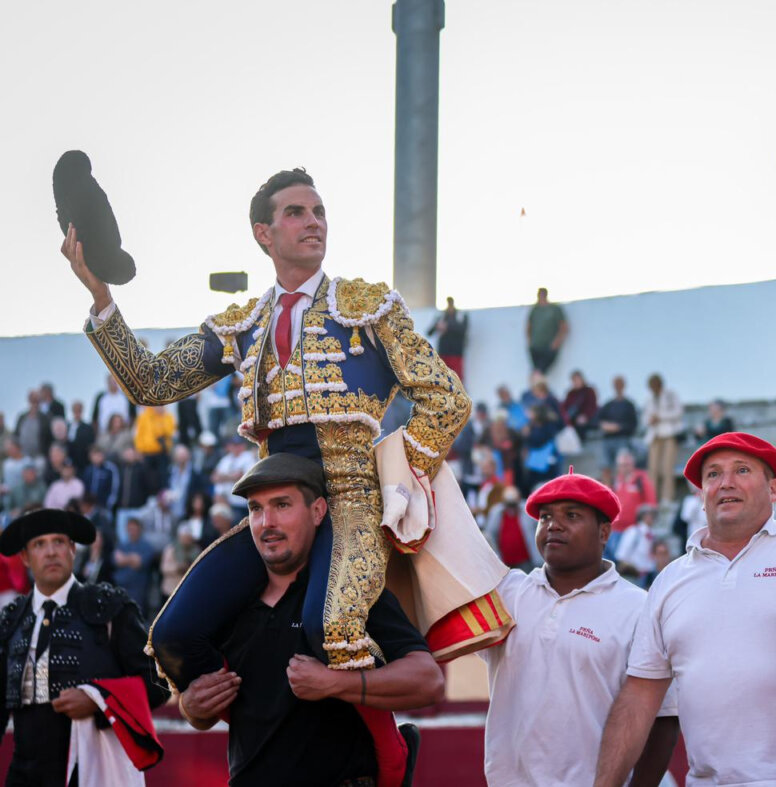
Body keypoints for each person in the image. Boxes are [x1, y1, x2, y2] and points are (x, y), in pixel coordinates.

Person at [65, 167, 500, 690]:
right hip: (272, 501)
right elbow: (151, 383)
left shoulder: (368, 307)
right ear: (263, 233)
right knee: (174, 634)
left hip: (351, 495)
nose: (313, 222)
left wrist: (401, 477)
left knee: (335, 627)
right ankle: (251, 715)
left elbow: (446, 399)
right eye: (296, 212)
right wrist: (100, 294)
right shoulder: (243, 324)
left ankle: (378, 754)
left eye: (319, 212)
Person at [595, 432, 776, 786]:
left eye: (742, 470)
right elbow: (640, 696)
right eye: (713, 474)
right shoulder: (670, 580)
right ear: (701, 495)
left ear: (774, 489)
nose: (725, 483)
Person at [176, 453, 442, 787]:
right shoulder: (229, 606)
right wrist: (192, 707)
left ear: (318, 511)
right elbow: (205, 714)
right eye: (256, 508)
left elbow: (428, 681)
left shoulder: (352, 592)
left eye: (282, 505)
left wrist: (338, 683)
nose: (266, 522)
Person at [480, 472, 678, 785]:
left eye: (571, 515)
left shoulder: (640, 608)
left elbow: (664, 720)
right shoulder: (508, 593)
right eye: (545, 517)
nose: (553, 525)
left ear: (604, 532)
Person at [0, 508, 168, 784]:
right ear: (25, 558)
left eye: (59, 542)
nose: (51, 552)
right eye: (39, 544)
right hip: (24, 774)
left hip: (93, 770)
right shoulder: (12, 621)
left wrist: (98, 699)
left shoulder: (109, 607)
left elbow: (159, 681)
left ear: (72, 550)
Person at [641, 374, 682, 504]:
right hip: (654, 436)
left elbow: (678, 412)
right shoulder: (649, 399)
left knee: (667, 468)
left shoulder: (671, 395)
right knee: (652, 470)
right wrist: (650, 420)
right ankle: (652, 499)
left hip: (668, 435)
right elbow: (644, 418)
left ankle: (667, 499)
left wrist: (660, 416)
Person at [483, 487, 541, 572]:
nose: (511, 508)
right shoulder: (497, 513)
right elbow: (489, 535)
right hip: (505, 563)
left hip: (526, 562)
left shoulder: (527, 512)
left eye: (514, 504)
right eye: (508, 504)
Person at [597, 375, 639, 467]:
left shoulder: (629, 405)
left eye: (620, 384)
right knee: (604, 465)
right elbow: (597, 420)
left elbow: (633, 425)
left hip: (623, 439)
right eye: (616, 384)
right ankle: (606, 482)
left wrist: (618, 428)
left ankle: (621, 481)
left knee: (622, 463)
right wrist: (604, 426)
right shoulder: (608, 405)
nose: (618, 387)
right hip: (607, 439)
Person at [527, 287, 568, 373]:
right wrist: (530, 342)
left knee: (540, 372)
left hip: (549, 348)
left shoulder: (554, 309)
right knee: (537, 372)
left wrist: (556, 342)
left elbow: (563, 327)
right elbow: (528, 326)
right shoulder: (535, 310)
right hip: (535, 347)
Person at [428, 295, 468, 380]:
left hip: (456, 353)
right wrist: (437, 326)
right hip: (443, 353)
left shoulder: (461, 316)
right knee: (442, 378)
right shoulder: (441, 317)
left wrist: (447, 326)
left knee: (457, 378)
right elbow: (429, 332)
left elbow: (463, 329)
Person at [562, 370, 599, 440]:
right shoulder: (570, 393)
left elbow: (592, 407)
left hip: (587, 420)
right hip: (573, 419)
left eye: (577, 380)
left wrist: (585, 416)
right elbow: (565, 407)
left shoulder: (589, 391)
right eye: (574, 380)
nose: (576, 382)